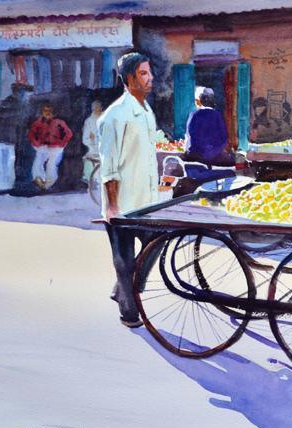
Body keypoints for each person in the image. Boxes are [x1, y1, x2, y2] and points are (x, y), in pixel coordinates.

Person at [98, 52, 159, 328]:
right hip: (122, 202)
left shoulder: (146, 111)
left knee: (156, 243)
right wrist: (112, 206)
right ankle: (128, 312)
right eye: (144, 74)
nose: (150, 78)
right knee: (124, 259)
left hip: (146, 200)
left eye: (149, 72)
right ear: (130, 78)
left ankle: (122, 290)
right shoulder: (113, 117)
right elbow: (109, 167)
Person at [172, 86, 236, 198]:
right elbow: (224, 139)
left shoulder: (194, 115)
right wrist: (214, 152)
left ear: (198, 101)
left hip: (197, 158)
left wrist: (191, 152)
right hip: (216, 158)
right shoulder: (218, 115)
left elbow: (190, 139)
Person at [27, 102, 73, 191]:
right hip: (43, 146)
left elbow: (69, 133)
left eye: (49, 111)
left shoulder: (59, 122)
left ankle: (48, 184)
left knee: (51, 164)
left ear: (53, 112)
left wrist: (61, 144)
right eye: (45, 111)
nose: (47, 113)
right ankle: (39, 180)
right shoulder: (38, 123)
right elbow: (31, 135)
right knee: (38, 161)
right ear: (42, 112)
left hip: (56, 147)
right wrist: (37, 144)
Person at [81, 101, 103, 184]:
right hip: (94, 149)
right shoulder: (89, 121)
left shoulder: (107, 118)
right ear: (93, 109)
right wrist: (92, 140)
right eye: (95, 108)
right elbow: (85, 139)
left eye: (99, 107)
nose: (98, 109)